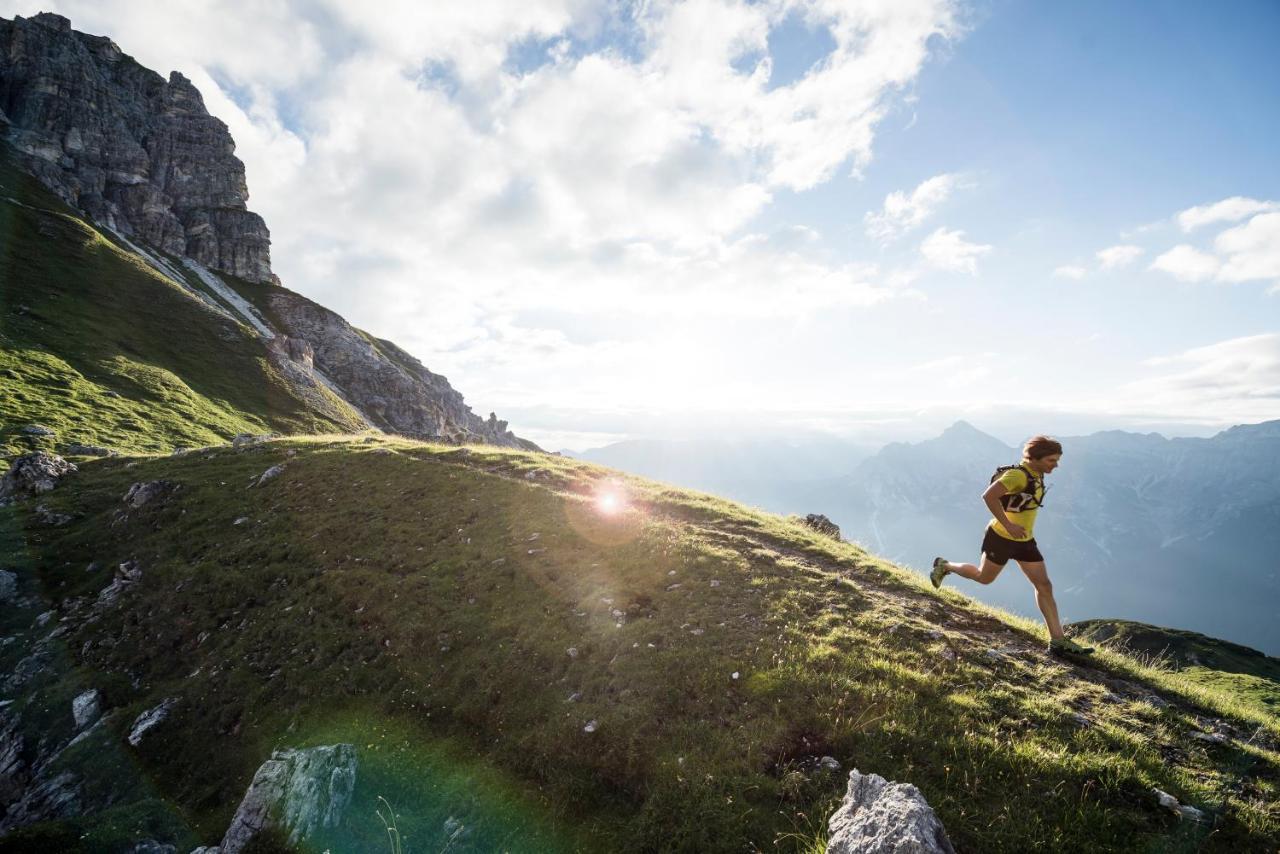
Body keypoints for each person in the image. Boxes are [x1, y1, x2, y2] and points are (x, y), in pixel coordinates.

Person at [929, 435, 1095, 657]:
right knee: (983, 578)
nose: (1056, 465)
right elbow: (988, 496)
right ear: (1035, 458)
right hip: (1001, 537)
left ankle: (1058, 641)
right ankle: (945, 565)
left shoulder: (1036, 473)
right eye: (1051, 460)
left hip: (1025, 541)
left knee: (1044, 586)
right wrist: (1008, 525)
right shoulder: (1017, 475)